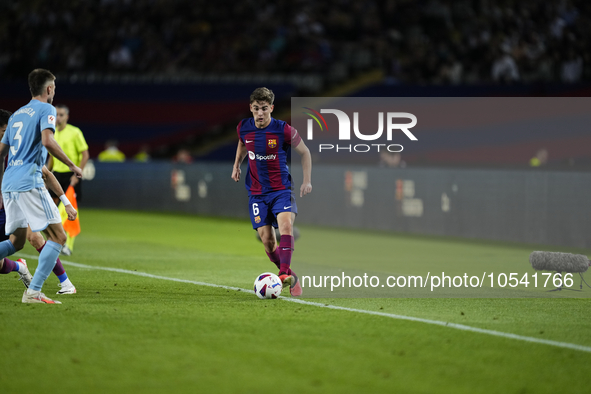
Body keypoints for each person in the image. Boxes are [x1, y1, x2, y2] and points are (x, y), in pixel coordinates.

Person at [0, 68, 82, 304]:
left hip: (10, 183)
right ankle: (34, 292)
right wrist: (72, 165)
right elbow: (48, 141)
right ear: (48, 89)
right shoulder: (46, 109)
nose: (53, 93)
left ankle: (46, 287)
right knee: (58, 236)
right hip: (29, 181)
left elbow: (2, 152)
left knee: (16, 242)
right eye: (53, 89)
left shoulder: (16, 115)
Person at [231, 87, 312, 297]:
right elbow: (242, 144)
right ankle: (289, 273)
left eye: (264, 109)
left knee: (286, 225)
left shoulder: (283, 130)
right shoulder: (243, 127)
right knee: (267, 239)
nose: (260, 113)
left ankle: (284, 273)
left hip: (281, 190)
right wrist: (237, 165)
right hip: (257, 193)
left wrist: (307, 181)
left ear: (271, 108)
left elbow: (305, 152)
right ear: (251, 108)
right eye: (256, 108)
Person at [48, 104, 89, 256]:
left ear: (67, 117)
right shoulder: (51, 132)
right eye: (56, 114)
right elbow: (51, 157)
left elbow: (85, 155)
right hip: (56, 175)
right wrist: (45, 172)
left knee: (69, 211)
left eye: (61, 115)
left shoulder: (75, 132)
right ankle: (55, 240)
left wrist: (77, 175)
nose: (58, 117)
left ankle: (67, 246)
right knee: (52, 209)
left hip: (70, 176)